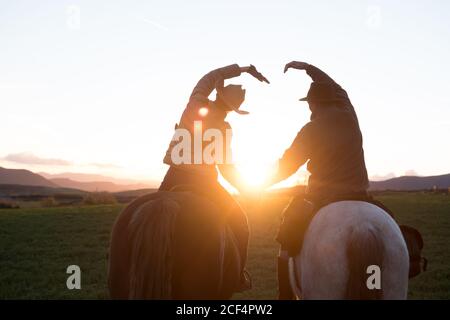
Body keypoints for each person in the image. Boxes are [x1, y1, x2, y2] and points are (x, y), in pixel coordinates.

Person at [159, 63, 269, 291]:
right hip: (204, 185)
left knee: (151, 215)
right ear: (232, 109)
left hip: (173, 178)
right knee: (240, 225)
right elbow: (226, 168)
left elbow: (209, 76)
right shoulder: (224, 127)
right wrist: (249, 190)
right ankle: (237, 277)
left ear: (217, 94)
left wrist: (242, 69)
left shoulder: (194, 104)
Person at [265, 61, 370, 299]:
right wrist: (307, 68)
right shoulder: (349, 115)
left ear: (312, 104)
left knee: (286, 241)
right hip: (361, 196)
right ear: (334, 100)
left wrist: (259, 185)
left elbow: (286, 167)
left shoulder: (311, 129)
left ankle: (285, 296)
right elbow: (337, 87)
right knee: (389, 223)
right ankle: (385, 276)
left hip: (322, 198)